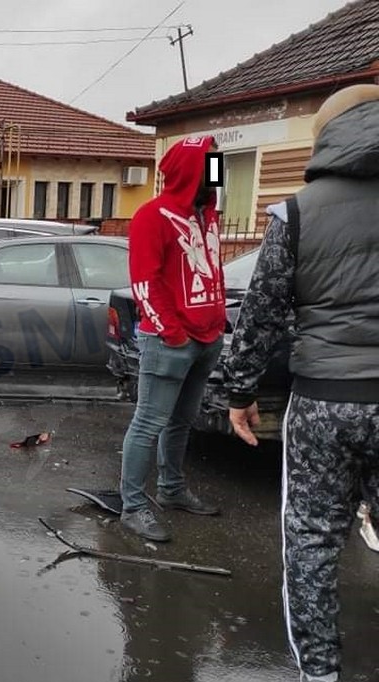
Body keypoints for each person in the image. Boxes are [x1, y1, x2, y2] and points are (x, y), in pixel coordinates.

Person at [225, 83, 379, 682]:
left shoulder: (296, 212)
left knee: (312, 540)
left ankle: (319, 679)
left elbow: (261, 313)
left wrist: (241, 391)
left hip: (322, 401)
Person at [118, 135, 227, 543]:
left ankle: (172, 491)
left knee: (182, 422)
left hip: (206, 340)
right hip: (170, 342)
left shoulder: (208, 216)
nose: (216, 175)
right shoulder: (151, 216)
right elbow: (144, 281)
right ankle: (133, 507)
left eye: (218, 167)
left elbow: (211, 271)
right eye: (210, 168)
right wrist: (174, 333)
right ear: (190, 173)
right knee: (148, 424)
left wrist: (215, 326)